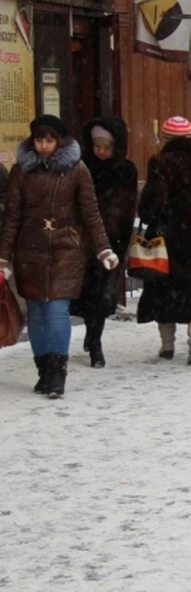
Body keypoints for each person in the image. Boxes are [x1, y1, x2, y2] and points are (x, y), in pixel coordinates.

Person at [0, 114, 119, 398]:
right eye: (39, 139)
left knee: (55, 311)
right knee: (37, 315)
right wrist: (3, 258)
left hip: (67, 249)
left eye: (49, 140)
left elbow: (91, 214)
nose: (43, 145)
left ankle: (58, 372)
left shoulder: (78, 170)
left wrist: (103, 248)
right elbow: (12, 218)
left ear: (60, 141)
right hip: (29, 251)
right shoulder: (21, 171)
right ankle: (44, 369)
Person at [136, 116, 191, 367]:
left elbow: (153, 202)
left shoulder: (160, 163)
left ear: (165, 140)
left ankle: (167, 346)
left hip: (168, 241)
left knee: (164, 292)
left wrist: (150, 214)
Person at [71, 116, 138, 369]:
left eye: (106, 146)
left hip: (112, 241)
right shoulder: (81, 166)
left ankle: (95, 340)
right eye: (97, 145)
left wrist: (119, 242)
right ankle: (92, 337)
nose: (101, 151)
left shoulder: (126, 170)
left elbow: (128, 207)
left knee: (102, 296)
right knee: (87, 294)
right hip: (82, 242)